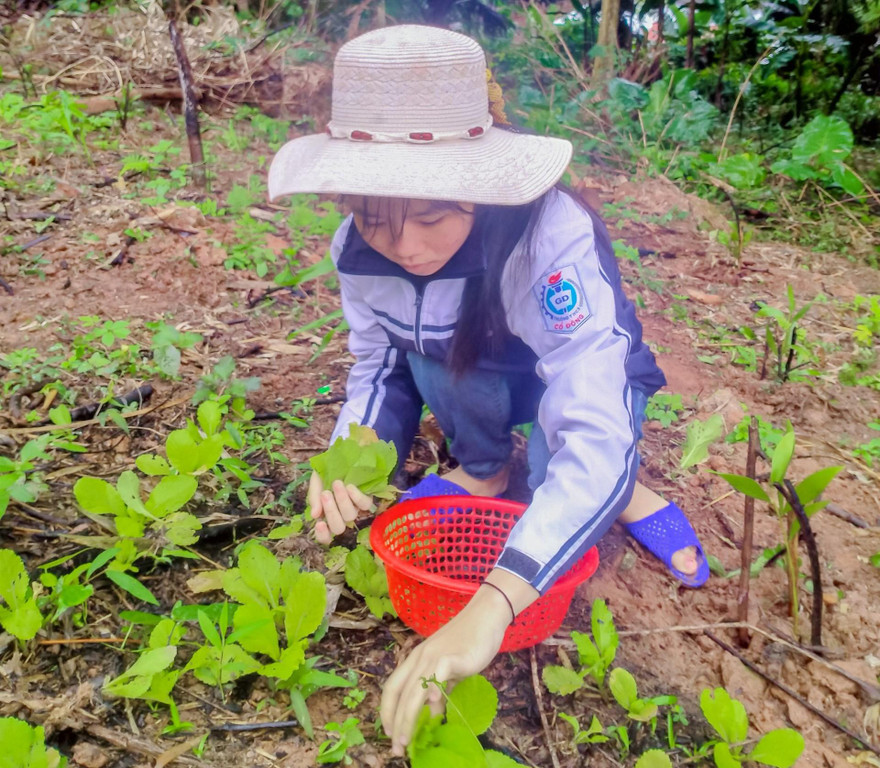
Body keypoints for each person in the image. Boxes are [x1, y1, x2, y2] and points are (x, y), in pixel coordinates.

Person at [267, 24, 708, 757]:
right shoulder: (357, 252)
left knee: (571, 465)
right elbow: (378, 364)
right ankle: (483, 468)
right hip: (473, 369)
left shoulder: (547, 236)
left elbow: (590, 396)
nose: (405, 247)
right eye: (374, 218)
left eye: (432, 217)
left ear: (477, 189)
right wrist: (349, 455)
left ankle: (622, 487)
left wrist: (495, 602)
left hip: (569, 377)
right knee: (433, 358)